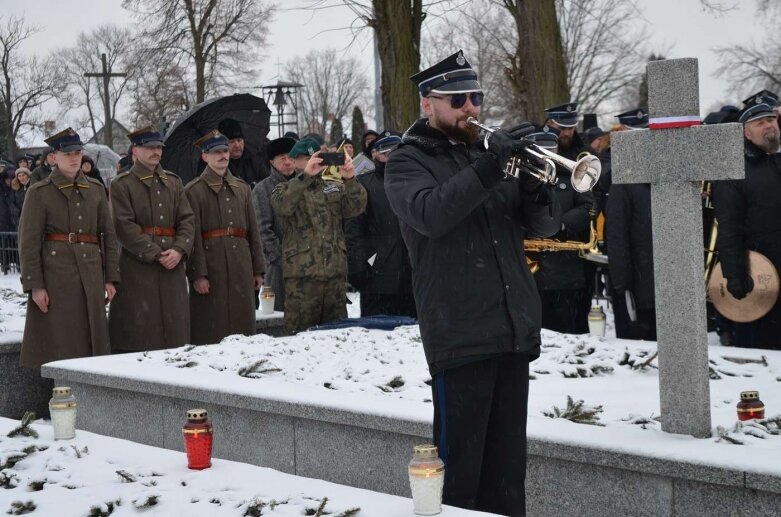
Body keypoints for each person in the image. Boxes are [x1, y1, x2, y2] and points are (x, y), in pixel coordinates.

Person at [384, 50, 561, 516]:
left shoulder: (490, 155)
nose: (471, 108)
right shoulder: (407, 161)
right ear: (428, 103)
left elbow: (542, 227)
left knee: (508, 473)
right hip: (459, 331)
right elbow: (432, 214)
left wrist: (533, 186)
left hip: (511, 329)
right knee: (461, 475)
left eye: (476, 97)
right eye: (458, 98)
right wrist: (489, 168)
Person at [18, 128, 119, 369]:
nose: (74, 158)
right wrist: (35, 285)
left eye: (77, 152)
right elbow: (28, 241)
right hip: (56, 277)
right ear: (54, 157)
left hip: (92, 273)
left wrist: (110, 278)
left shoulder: (95, 189)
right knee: (62, 339)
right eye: (67, 153)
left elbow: (108, 235)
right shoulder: (39, 192)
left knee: (92, 337)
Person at [108, 126, 196, 352]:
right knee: (141, 332)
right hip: (137, 268)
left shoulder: (174, 182)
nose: (156, 152)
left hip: (173, 266)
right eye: (149, 147)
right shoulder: (122, 184)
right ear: (135, 151)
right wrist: (155, 253)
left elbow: (187, 220)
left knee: (175, 331)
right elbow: (123, 226)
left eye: (158, 147)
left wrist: (179, 250)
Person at [271, 137, 367, 333]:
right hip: (302, 279)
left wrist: (350, 179)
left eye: (316, 157)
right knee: (300, 335)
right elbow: (283, 206)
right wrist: (306, 176)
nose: (312, 162)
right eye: (306, 158)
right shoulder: (284, 187)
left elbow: (356, 208)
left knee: (336, 335)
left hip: (334, 275)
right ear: (294, 161)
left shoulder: (334, 186)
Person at [712, 92, 781, 350]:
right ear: (746, 134)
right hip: (762, 280)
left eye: (771, 119)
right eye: (760, 122)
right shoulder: (734, 172)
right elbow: (729, 229)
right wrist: (735, 275)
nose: (769, 124)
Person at [185, 130, 265, 345]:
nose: (223, 156)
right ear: (205, 156)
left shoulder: (242, 188)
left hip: (241, 263)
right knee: (211, 325)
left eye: (225, 151)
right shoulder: (194, 190)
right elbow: (192, 236)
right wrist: (198, 274)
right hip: (212, 265)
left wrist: (258, 268)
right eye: (216, 152)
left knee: (243, 326)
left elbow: (253, 231)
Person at [524, 129, 594, 334]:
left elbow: (588, 208)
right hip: (528, 269)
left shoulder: (574, 177)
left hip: (564, 271)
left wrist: (560, 224)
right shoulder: (521, 177)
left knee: (565, 327)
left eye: (552, 150)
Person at [345, 133, 416, 318]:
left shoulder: (416, 180)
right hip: (377, 276)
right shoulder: (365, 184)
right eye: (386, 151)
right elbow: (354, 230)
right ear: (375, 155)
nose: (392, 156)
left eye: (397, 151)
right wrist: (357, 268)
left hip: (414, 275)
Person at [252, 136, 297, 311]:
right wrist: (280, 257)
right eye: (282, 158)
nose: (288, 162)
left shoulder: (305, 184)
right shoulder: (262, 190)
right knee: (281, 314)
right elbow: (263, 230)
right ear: (272, 162)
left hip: (307, 264)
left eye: (291, 157)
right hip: (279, 267)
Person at [218, 118, 269, 188]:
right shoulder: (216, 165)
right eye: (231, 141)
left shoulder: (254, 162)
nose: (237, 145)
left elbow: (269, 183)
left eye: (239, 140)